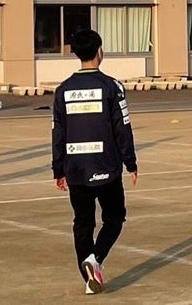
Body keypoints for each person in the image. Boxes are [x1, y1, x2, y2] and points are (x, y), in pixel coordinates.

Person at [51, 30, 138, 295]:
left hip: (76, 168)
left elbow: (58, 132)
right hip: (106, 167)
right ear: (99, 51)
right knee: (115, 218)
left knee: (82, 223)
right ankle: (95, 259)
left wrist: (58, 169)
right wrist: (130, 162)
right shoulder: (112, 87)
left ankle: (89, 276)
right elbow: (122, 127)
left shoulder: (62, 90)